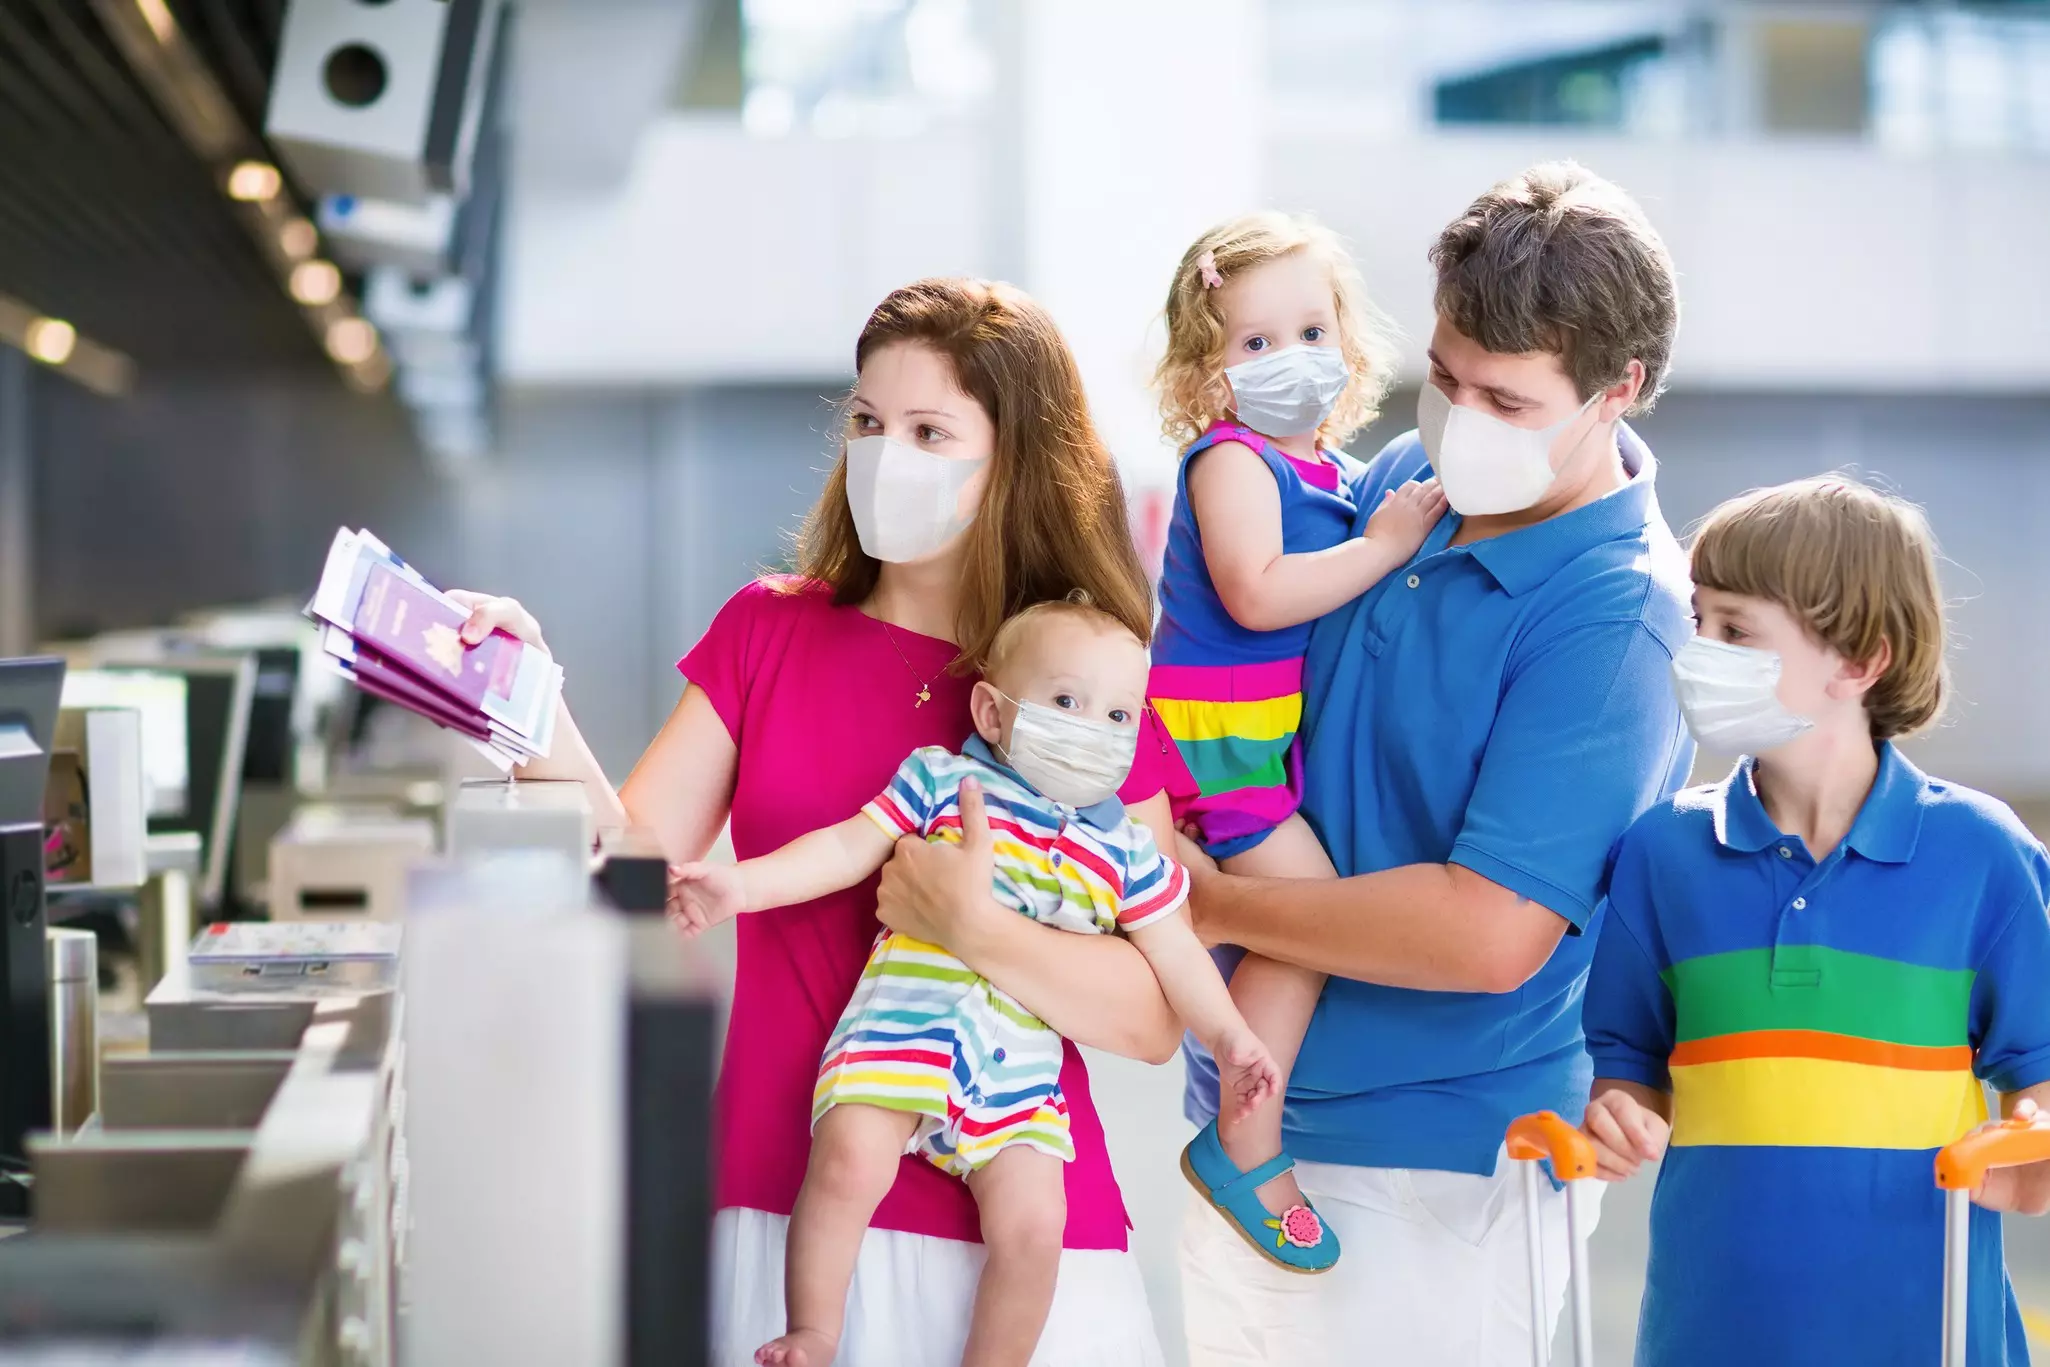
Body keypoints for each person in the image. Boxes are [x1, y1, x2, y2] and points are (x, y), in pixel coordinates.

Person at [451, 278, 1179, 1367]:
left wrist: (975, 926)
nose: (888, 456)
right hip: (790, 1218)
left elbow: (1151, 1015)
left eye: (931, 430)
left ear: (1016, 459)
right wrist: (531, 704)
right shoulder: (768, 630)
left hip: (1024, 1248)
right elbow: (635, 860)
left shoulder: (1087, 692)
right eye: (868, 424)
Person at [1132, 162, 1695, 1365]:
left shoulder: (1615, 620)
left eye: (1504, 395)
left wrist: (1208, 900)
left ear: (1618, 389)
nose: (1459, 418)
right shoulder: (1398, 488)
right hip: (1252, 1135)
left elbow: (1487, 933)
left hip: (1438, 1170)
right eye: (1443, 378)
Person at [670, 596, 1281, 1367]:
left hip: (1018, 1084)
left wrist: (1230, 1039)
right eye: (1066, 701)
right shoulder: (941, 779)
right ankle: (814, 1330)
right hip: (900, 1036)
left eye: (1121, 715)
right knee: (845, 1160)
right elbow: (846, 847)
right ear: (992, 712)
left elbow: (1177, 955)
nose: (1094, 728)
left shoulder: (1126, 852)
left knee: (1032, 1230)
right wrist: (740, 885)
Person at [1581, 476, 2050, 1367]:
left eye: (1737, 631)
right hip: (1708, 1336)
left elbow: (2043, 1069)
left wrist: (2030, 1136)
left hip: (1934, 1335)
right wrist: (1618, 1117)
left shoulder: (1981, 853)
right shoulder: (1661, 854)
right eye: (1700, 622)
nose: (1699, 652)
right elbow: (1628, 1069)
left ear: (1859, 661)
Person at [1134, 211, 1445, 1271]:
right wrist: (1381, 543)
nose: (1291, 361)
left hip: (1255, 748)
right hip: (1215, 746)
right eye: (1255, 343)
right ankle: (1241, 1137)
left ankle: (1236, 1111)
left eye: (1312, 331)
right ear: (1208, 370)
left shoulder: (1315, 464)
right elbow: (1258, 594)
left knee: (1292, 924)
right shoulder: (1230, 462)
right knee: (1308, 924)